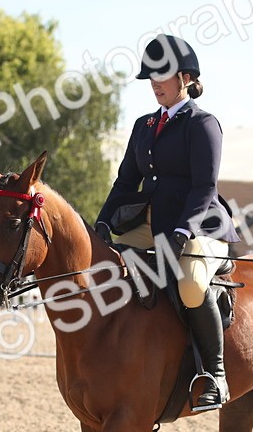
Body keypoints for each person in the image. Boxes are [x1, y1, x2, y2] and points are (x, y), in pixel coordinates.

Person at [95, 34, 240, 411]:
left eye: (162, 76)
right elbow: (125, 181)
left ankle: (215, 375)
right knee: (102, 265)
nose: (155, 84)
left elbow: (205, 187)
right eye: (151, 78)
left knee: (191, 286)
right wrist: (103, 222)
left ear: (185, 78)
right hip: (151, 223)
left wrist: (181, 231)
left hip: (201, 225)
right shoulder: (144, 125)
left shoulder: (202, 124)